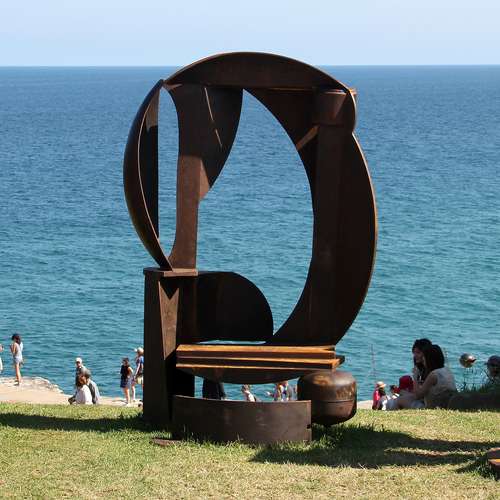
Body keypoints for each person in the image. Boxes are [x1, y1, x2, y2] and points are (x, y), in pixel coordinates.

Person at [399, 344, 457, 409]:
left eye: (424, 359)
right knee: (404, 394)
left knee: (400, 400)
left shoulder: (434, 375)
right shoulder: (446, 370)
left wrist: (415, 376)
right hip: (444, 404)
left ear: (429, 360)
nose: (423, 361)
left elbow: (417, 395)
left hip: (431, 407)